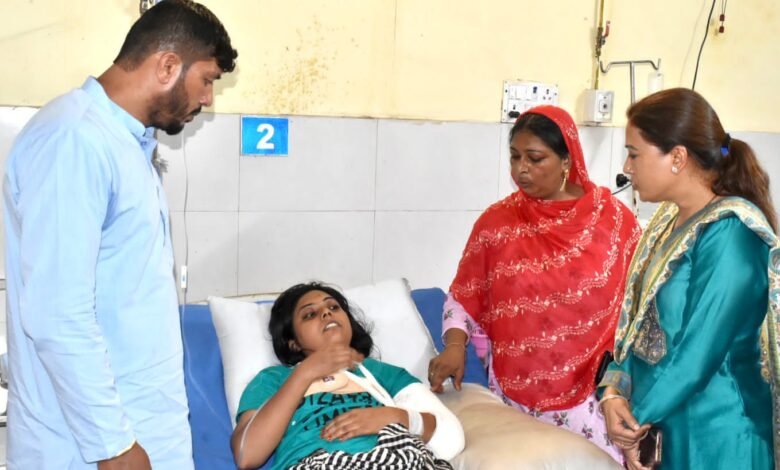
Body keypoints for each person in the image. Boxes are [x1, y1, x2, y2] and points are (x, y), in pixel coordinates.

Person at [3, 1, 237, 468]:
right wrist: (113, 445)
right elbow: (57, 314)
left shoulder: (124, 144)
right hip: (90, 448)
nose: (208, 98)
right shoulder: (75, 140)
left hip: (139, 429)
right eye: (207, 79)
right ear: (167, 65)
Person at [427, 105, 641, 462]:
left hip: (595, 396)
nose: (520, 169)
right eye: (515, 157)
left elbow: (641, 304)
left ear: (566, 160)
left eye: (535, 158)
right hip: (516, 398)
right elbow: (464, 295)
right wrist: (454, 346)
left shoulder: (614, 221)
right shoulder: (498, 223)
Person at [599, 88, 779, 469]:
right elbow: (639, 324)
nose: (627, 167)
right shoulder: (668, 221)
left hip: (722, 440)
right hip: (670, 428)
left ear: (677, 157)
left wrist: (634, 420)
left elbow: (696, 354)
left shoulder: (731, 234)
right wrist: (614, 392)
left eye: (634, 154)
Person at [232, 282, 465, 470]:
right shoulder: (273, 379)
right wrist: (305, 373)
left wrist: (395, 417)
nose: (326, 313)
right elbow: (247, 455)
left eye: (333, 307)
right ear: (293, 342)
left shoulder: (382, 373)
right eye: (310, 314)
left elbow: (451, 439)